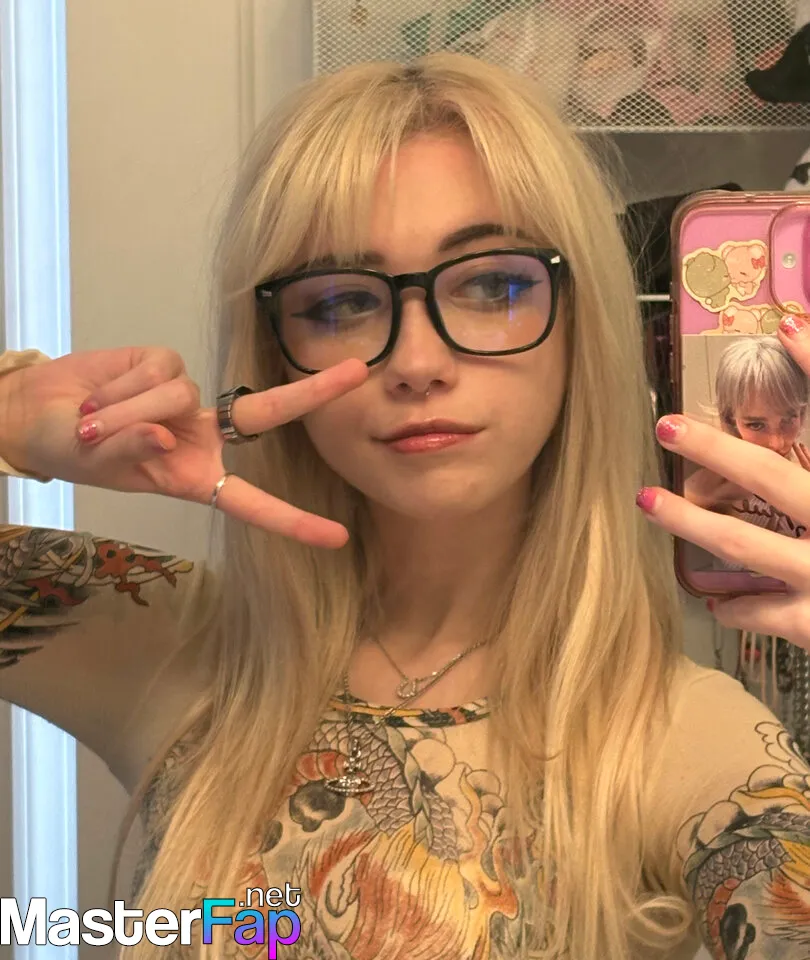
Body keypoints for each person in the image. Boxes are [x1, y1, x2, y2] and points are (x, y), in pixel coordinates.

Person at [1, 52, 810, 960]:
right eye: (341, 302)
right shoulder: (170, 648)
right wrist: (9, 411)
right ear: (272, 349)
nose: (418, 363)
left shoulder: (678, 744)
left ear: (581, 325)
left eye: (494, 285)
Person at [684, 336, 809, 572]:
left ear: (801, 414)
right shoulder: (710, 482)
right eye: (756, 425)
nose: (775, 443)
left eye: (788, 420)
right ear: (730, 419)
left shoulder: (805, 474)